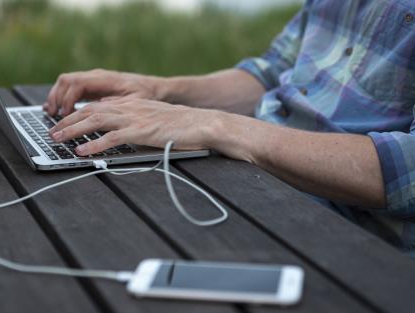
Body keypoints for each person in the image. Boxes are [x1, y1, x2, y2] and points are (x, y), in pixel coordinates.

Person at [44, 0, 415, 256]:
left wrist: (219, 126)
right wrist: (160, 90)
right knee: (77, 212)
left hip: (343, 238)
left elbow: (408, 170)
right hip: (251, 179)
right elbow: (274, 72)